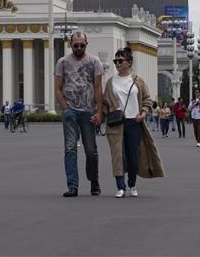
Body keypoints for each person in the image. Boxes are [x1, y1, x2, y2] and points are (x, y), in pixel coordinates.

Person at [102, 48, 164, 198]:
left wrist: (143, 113)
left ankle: (132, 185)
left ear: (129, 62)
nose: (117, 63)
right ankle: (120, 187)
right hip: (116, 124)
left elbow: (147, 99)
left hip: (134, 122)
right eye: (115, 61)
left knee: (133, 156)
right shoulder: (110, 82)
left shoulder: (137, 80)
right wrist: (99, 115)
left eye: (120, 60)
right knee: (118, 156)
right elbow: (105, 103)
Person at [55, 31, 103, 198]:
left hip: (88, 111)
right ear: (70, 44)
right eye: (76, 45)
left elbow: (98, 88)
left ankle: (94, 181)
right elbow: (58, 88)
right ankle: (72, 186)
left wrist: (99, 112)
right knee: (70, 149)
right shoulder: (62, 62)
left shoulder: (94, 61)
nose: (79, 48)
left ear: (86, 44)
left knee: (91, 150)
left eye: (82, 45)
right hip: (71, 112)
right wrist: (65, 108)